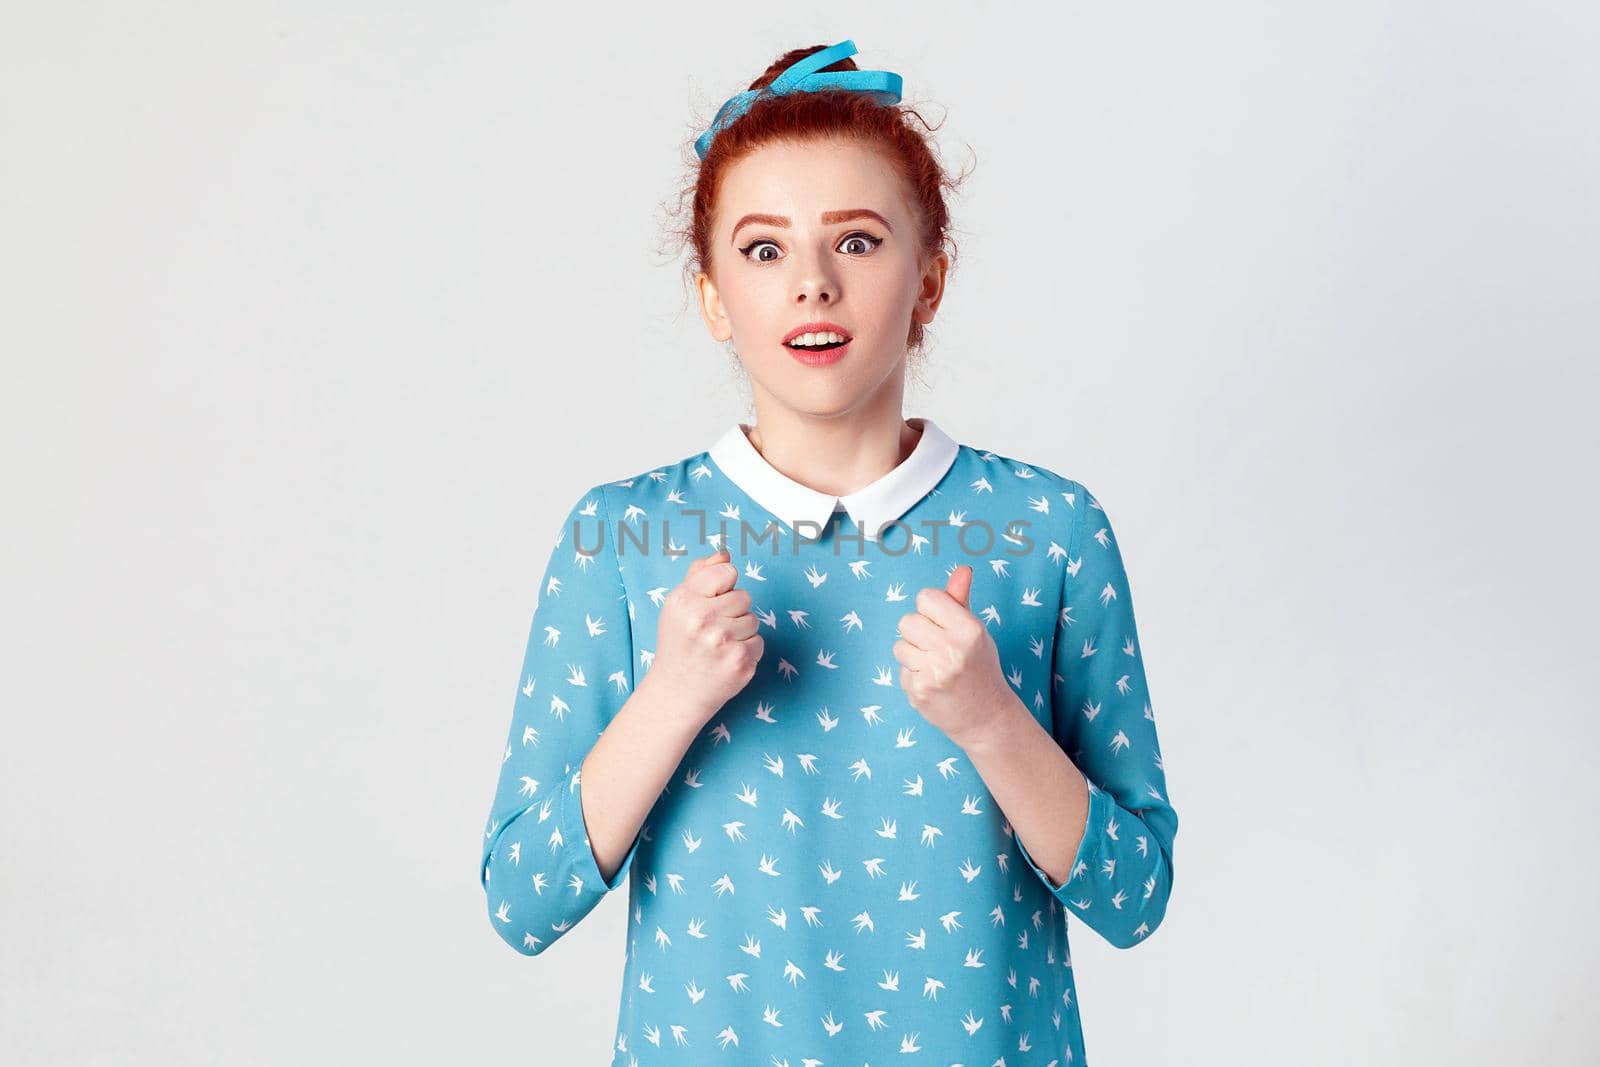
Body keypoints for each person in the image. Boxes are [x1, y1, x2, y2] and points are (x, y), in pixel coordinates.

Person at [478, 39, 1179, 1065]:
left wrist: (991, 718)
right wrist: (671, 693)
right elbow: (520, 900)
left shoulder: (1048, 528)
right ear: (715, 297)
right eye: (763, 250)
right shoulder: (623, 537)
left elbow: (1136, 896)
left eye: (856, 241)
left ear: (928, 282)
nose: (811, 282)